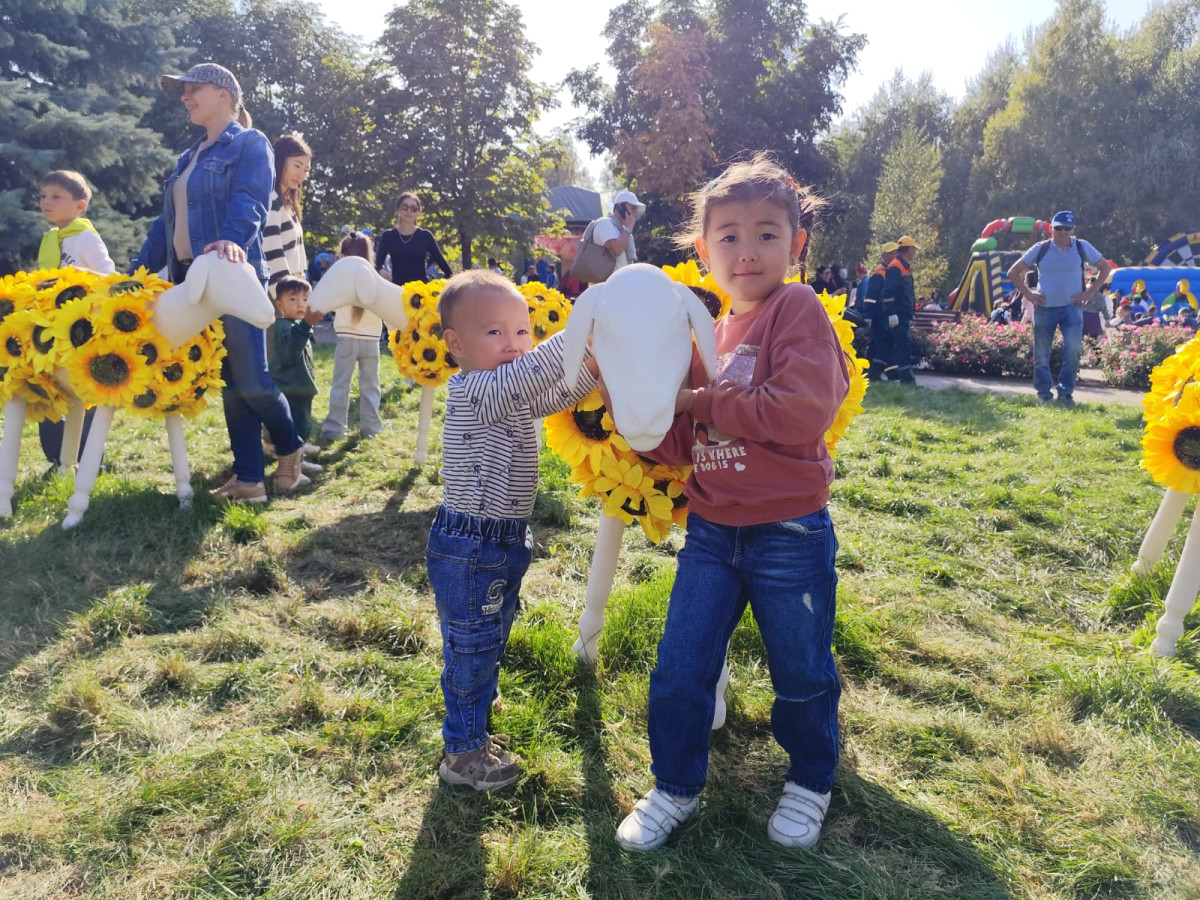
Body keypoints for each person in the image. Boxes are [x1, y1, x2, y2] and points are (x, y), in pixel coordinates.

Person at [612, 154, 849, 852]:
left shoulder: (795, 311)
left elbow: (799, 412)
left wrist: (699, 399)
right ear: (702, 248)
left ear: (796, 244)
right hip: (713, 531)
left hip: (789, 532)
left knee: (802, 671)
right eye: (730, 236)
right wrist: (640, 412)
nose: (747, 251)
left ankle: (811, 779)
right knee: (681, 667)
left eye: (767, 234)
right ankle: (674, 786)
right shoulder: (707, 336)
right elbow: (681, 443)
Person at [428, 270, 599, 791]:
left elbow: (558, 391)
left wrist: (593, 365)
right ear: (456, 345)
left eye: (522, 332)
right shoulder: (476, 390)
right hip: (472, 542)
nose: (514, 344)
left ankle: (476, 707)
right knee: (473, 644)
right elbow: (532, 376)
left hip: (499, 540)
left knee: (490, 633)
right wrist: (589, 328)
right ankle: (463, 757)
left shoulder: (508, 391)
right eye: (495, 333)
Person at [132, 62, 307, 501]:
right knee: (228, 384)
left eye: (194, 89)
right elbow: (165, 224)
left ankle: (289, 446)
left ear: (225, 94)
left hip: (233, 273)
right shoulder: (187, 158)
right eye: (183, 91)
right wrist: (135, 271)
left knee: (253, 381)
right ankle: (249, 479)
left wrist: (231, 239)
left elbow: (251, 198)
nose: (186, 97)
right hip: (191, 281)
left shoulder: (250, 142)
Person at [35, 170, 111, 467]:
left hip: (81, 331)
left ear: (80, 205)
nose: (46, 202)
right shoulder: (51, 239)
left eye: (56, 197)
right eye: (43, 196)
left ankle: (91, 459)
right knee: (52, 389)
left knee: (83, 392)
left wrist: (79, 276)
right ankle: (57, 458)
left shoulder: (85, 238)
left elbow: (111, 277)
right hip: (52, 328)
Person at [1007, 210, 1112, 405]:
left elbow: (1105, 268)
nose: (1062, 232)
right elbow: (1013, 272)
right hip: (1045, 308)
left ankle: (1065, 393)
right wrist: (1029, 294)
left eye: (1067, 228)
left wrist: (1089, 292)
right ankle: (1044, 394)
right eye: (1058, 228)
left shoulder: (1082, 247)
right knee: (1041, 354)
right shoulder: (1041, 248)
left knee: (1073, 350)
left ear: (1073, 229)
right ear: (1051, 229)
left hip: (1072, 308)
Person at [319, 231, 383, 442]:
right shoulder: (376, 278)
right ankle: (371, 427)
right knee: (370, 385)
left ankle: (334, 429)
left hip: (346, 336)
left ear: (344, 254)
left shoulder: (339, 279)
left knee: (340, 385)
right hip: (371, 339)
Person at [268, 276, 324, 455]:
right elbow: (290, 351)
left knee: (303, 421)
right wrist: (306, 325)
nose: (300, 305)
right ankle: (294, 461)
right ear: (279, 305)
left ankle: (300, 446)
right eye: (292, 299)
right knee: (294, 423)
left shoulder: (298, 325)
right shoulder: (283, 326)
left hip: (301, 387)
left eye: (305, 299)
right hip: (290, 388)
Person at [263, 133, 311, 299]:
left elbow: (298, 256)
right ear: (280, 160)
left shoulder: (288, 204)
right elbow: (272, 254)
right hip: (279, 295)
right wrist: (286, 298)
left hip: (292, 292)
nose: (301, 175)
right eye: (297, 165)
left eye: (305, 170)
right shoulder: (271, 199)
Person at [375, 192, 452, 287]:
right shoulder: (389, 236)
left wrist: (453, 281)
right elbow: (378, 263)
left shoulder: (425, 236)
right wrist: (381, 271)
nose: (409, 211)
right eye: (405, 207)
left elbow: (441, 262)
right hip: (396, 290)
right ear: (398, 209)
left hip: (421, 293)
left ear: (418, 212)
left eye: (413, 208)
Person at [879, 235, 919, 384]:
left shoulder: (903, 266)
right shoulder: (896, 266)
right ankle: (907, 380)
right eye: (914, 249)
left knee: (889, 344)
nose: (915, 252)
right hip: (898, 314)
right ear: (908, 250)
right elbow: (888, 292)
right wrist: (891, 314)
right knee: (903, 346)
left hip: (902, 314)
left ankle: (878, 373)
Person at [862, 242, 898, 381]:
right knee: (880, 344)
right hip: (879, 316)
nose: (894, 256)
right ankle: (873, 374)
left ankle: (868, 372)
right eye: (891, 253)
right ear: (884, 255)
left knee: (877, 344)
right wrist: (868, 316)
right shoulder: (880, 273)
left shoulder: (888, 271)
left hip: (883, 315)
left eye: (895, 253)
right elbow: (871, 296)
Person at [591, 190, 645, 273]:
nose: (635, 213)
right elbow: (617, 249)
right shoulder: (605, 223)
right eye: (632, 208)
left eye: (635, 210)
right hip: (608, 283)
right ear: (620, 207)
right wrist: (628, 229)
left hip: (622, 281)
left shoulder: (623, 230)